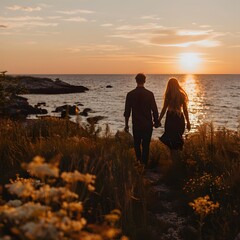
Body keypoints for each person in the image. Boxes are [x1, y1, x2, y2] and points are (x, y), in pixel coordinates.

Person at [124, 73, 159, 167]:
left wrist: (126, 125)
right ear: (145, 81)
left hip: (136, 124)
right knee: (146, 145)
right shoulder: (150, 94)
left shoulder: (130, 94)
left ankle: (139, 162)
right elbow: (154, 110)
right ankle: (144, 164)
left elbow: (127, 112)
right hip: (147, 124)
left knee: (137, 143)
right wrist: (156, 122)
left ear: (136, 81)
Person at [158, 77, 191, 156]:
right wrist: (188, 122)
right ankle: (178, 159)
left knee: (170, 139)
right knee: (178, 138)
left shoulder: (168, 95)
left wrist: (159, 120)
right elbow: (185, 110)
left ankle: (173, 158)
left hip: (171, 118)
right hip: (179, 118)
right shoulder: (182, 95)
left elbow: (164, 109)